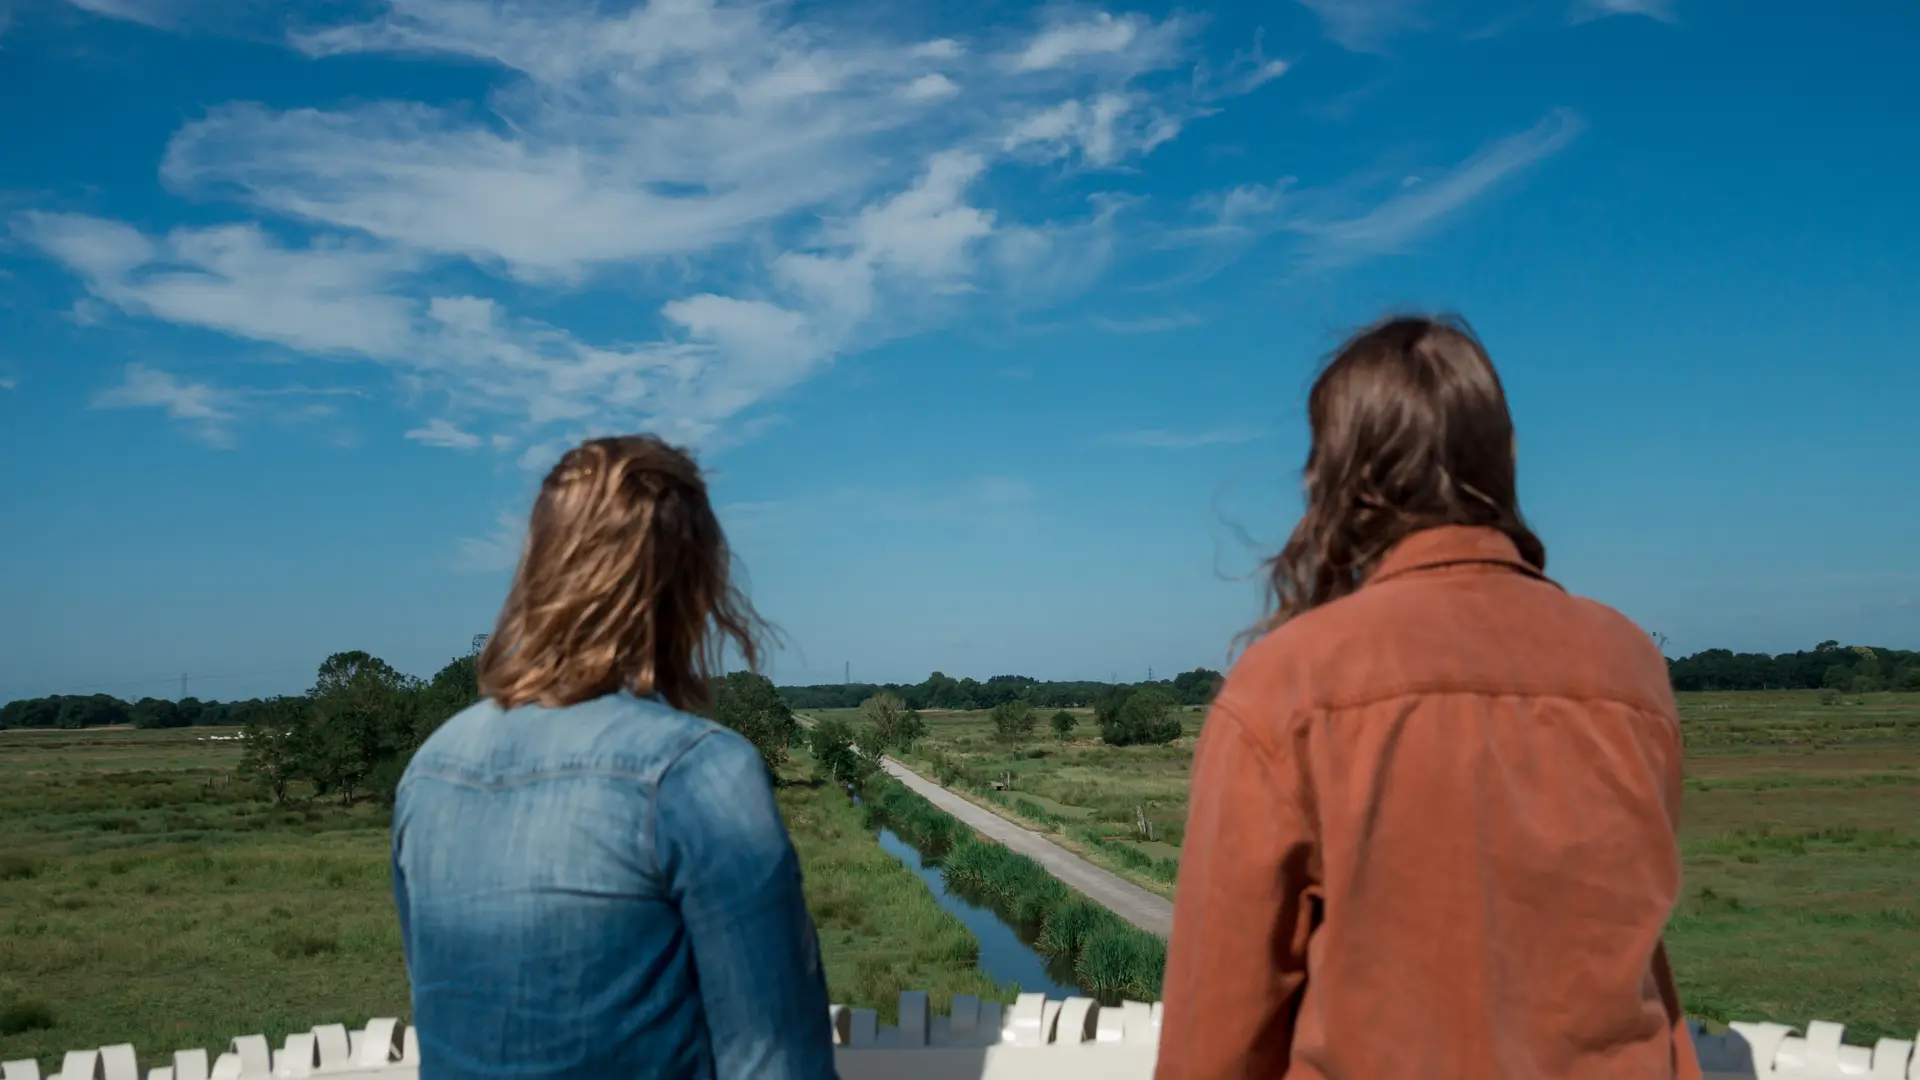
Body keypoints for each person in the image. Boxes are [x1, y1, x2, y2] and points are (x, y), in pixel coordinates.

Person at [1157, 316, 1702, 1080]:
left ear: (1336, 479)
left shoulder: (1288, 685)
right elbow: (1634, 951)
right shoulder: (1628, 666)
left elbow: (1217, 1032)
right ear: (1505, 459)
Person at [391, 435, 838, 1080]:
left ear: (538, 568)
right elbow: (774, 1063)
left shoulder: (431, 769)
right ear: (687, 587)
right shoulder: (694, 771)